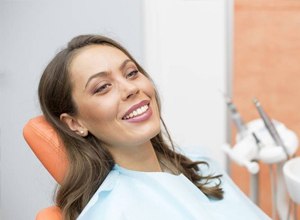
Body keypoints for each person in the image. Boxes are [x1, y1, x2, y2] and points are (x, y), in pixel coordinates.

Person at [38, 34, 271, 220]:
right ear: (75, 123)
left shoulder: (200, 163)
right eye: (102, 87)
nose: (130, 88)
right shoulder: (112, 212)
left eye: (131, 73)